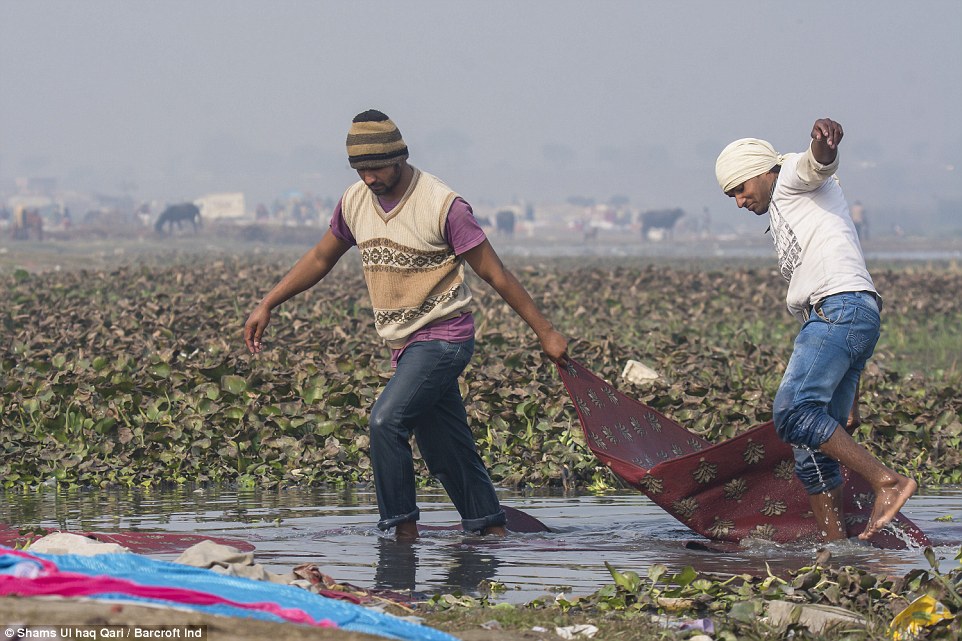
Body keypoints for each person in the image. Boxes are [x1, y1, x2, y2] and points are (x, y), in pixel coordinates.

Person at [244, 109, 569, 540]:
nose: (369, 178)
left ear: (399, 157)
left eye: (376, 167)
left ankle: (402, 536)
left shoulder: (442, 205)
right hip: (406, 344)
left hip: (444, 337)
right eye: (361, 169)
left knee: (386, 421)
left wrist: (545, 332)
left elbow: (496, 273)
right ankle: (490, 530)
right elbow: (322, 257)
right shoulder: (355, 202)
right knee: (444, 446)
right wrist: (268, 302)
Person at [714, 118, 916, 542]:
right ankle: (836, 549)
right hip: (849, 315)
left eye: (739, 189)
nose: (737, 201)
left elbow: (816, 164)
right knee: (810, 447)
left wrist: (822, 144)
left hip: (838, 310)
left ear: (762, 171)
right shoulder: (789, 205)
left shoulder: (789, 178)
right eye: (730, 194)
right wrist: (851, 398)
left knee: (792, 414)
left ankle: (888, 481)